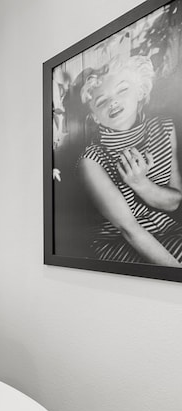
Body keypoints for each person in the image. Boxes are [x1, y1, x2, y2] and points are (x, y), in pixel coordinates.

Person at [78, 55, 182, 266]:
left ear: (141, 92)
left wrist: (141, 184)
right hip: (119, 243)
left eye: (122, 89)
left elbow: (174, 202)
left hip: (167, 229)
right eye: (102, 101)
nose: (113, 101)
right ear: (96, 117)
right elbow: (129, 229)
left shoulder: (164, 128)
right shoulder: (90, 160)